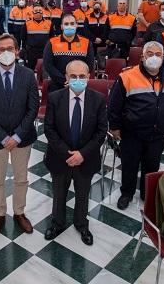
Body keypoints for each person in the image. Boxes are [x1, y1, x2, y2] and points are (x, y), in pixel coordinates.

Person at [108, 41, 164, 209]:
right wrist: (114, 127)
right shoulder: (127, 76)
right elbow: (114, 105)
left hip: (158, 132)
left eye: (158, 54)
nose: (154, 58)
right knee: (130, 165)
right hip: (132, 132)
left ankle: (146, 193)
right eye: (150, 54)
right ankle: (126, 193)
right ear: (142, 56)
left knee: (152, 165)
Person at [0, 33, 40, 236]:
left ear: (17, 51)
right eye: (2, 50)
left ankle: (19, 212)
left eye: (10, 49)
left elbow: (33, 109)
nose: (6, 53)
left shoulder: (28, 74)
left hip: (23, 138)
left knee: (21, 178)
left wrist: (18, 136)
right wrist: (4, 138)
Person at [43, 60, 108, 246]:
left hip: (86, 159)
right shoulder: (55, 98)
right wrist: (67, 154)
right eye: (73, 76)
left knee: (82, 194)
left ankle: (81, 224)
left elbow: (101, 131)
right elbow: (49, 129)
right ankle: (57, 223)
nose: (77, 79)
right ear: (66, 77)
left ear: (89, 77)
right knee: (59, 194)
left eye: (81, 76)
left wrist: (82, 154)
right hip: (59, 157)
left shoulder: (98, 99)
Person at [43, 13, 94, 93]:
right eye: (66, 24)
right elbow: (48, 65)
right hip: (57, 85)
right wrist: (65, 81)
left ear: (76, 25)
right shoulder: (51, 42)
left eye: (72, 23)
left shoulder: (86, 43)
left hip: (79, 86)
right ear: (61, 26)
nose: (69, 26)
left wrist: (75, 81)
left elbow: (90, 65)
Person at [84, 0, 108, 69]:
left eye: (98, 6)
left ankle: (101, 74)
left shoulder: (106, 17)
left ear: (100, 8)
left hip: (102, 43)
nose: (97, 8)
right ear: (92, 7)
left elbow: (106, 30)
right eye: (95, 6)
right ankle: (92, 72)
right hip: (91, 42)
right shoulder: (87, 17)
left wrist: (101, 39)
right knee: (92, 59)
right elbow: (86, 31)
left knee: (101, 60)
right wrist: (94, 39)